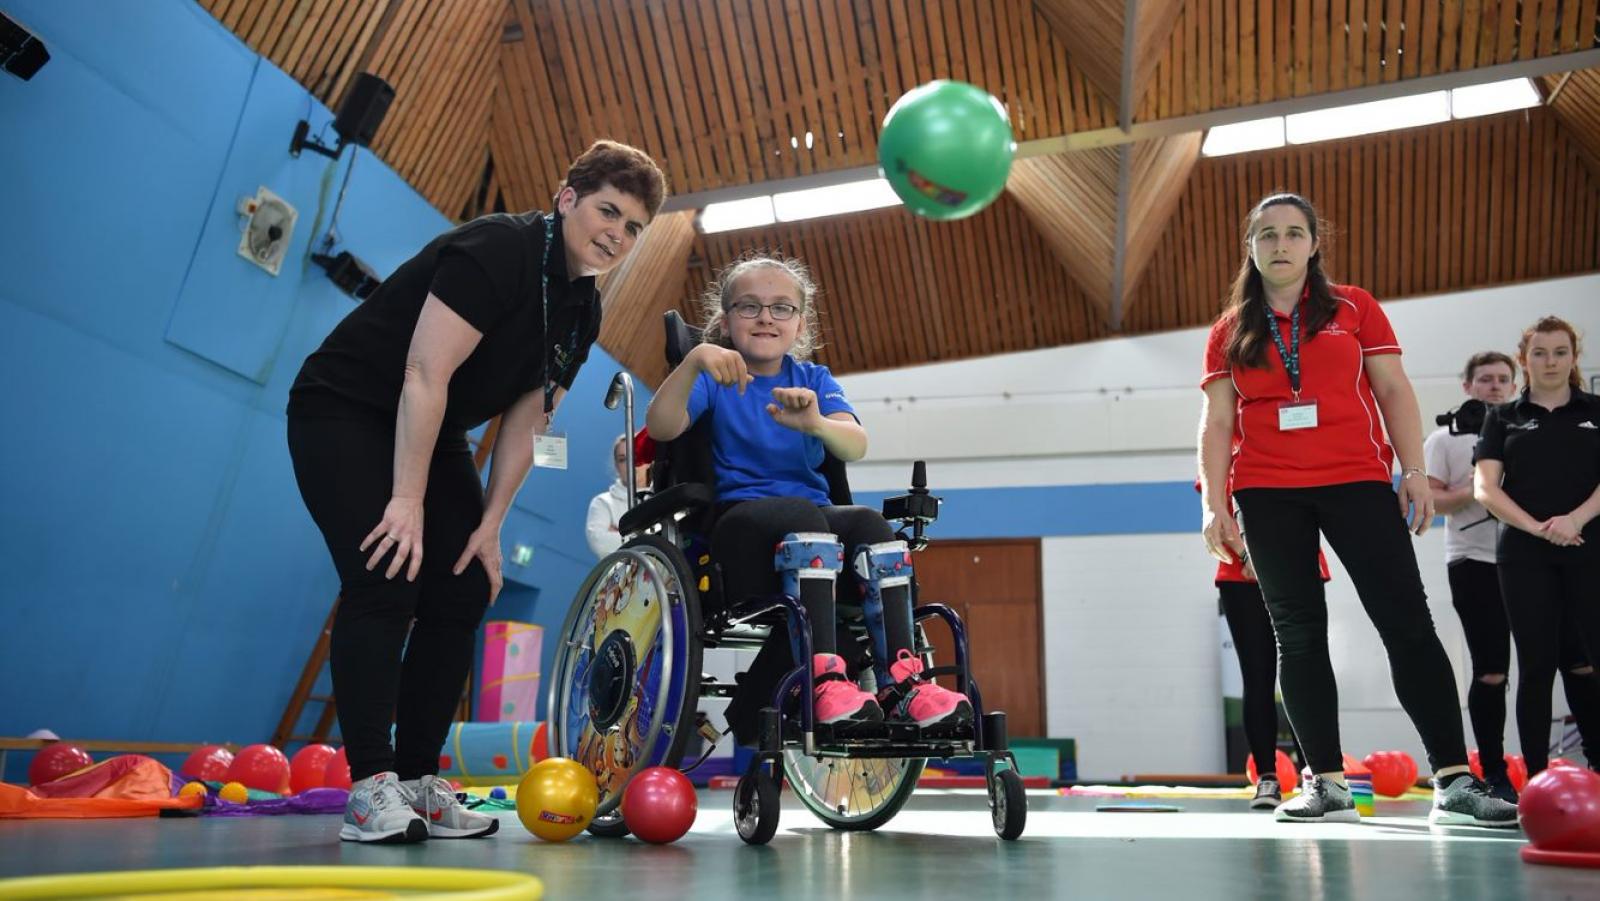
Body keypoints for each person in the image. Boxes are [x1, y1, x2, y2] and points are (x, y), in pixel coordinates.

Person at [287, 141, 667, 843]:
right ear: (566, 197)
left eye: (633, 226)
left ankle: (417, 779)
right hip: (344, 407)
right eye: (608, 210)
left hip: (436, 433)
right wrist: (405, 501)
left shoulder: (584, 309)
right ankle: (370, 788)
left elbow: (529, 416)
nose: (617, 232)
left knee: (463, 586)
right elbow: (424, 374)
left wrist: (491, 524)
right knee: (385, 574)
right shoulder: (498, 248)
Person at [1197, 192, 1516, 827]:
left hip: (1357, 482)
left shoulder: (1354, 308)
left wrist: (1416, 472)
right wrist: (1214, 504)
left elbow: (1394, 390)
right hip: (1265, 492)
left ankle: (1454, 779)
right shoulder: (1230, 330)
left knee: (1407, 623)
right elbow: (1216, 422)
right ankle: (1327, 782)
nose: (1280, 245)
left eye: (1293, 234)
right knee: (1299, 636)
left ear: (1314, 244)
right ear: (1250, 248)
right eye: (1267, 236)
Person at [644, 254, 971, 741]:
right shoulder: (714, 378)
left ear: (800, 322)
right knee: (806, 515)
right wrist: (692, 362)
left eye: (781, 308)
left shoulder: (814, 380)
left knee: (867, 523)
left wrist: (816, 424)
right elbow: (661, 426)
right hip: (738, 531)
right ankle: (821, 679)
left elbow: (855, 444)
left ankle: (904, 683)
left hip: (813, 529)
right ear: (726, 319)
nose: (765, 318)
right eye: (750, 306)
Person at [1426, 349, 1600, 798]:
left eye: (1503, 378)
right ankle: (1495, 772)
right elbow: (1433, 501)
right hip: (1476, 563)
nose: (1495, 386)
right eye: (1485, 380)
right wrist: (1479, 485)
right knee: (1493, 672)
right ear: (1467, 386)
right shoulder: (1443, 440)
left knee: (1577, 661)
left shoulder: (1525, 423)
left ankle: (1593, 764)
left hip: (1546, 559)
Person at [1474, 316, 1600, 778]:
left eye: (1560, 352)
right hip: (1524, 555)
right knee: (1536, 667)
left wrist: (1574, 520)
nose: (1550, 362)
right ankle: (1538, 779)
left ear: (1573, 357)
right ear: (1525, 360)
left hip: (1589, 546)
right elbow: (1486, 488)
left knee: (1591, 661)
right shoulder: (1502, 416)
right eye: (1540, 353)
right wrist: (1536, 527)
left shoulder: (1596, 410)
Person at [1201, 481, 1327, 811]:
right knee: (1258, 675)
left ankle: (1316, 775)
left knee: (1307, 669)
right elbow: (1217, 507)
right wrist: (1248, 555)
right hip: (1240, 573)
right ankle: (1267, 778)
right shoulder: (1224, 451)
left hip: (1300, 566)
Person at [586, 434, 649, 558]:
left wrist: (622, 536)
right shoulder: (602, 502)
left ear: (648, 461)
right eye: (622, 459)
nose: (630, 464)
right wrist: (649, 538)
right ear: (616, 466)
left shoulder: (663, 498)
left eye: (635, 456)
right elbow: (599, 542)